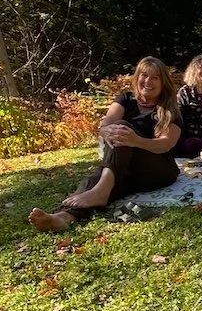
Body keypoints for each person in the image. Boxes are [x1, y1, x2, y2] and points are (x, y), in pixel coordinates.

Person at [28, 57, 182, 231]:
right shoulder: (126, 98)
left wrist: (136, 141)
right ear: (137, 77)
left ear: (163, 83)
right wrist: (105, 131)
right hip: (125, 169)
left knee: (121, 130)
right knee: (98, 178)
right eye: (144, 75)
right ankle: (62, 217)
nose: (148, 81)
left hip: (158, 170)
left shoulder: (170, 108)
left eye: (155, 77)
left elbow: (165, 144)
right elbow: (106, 124)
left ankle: (101, 189)